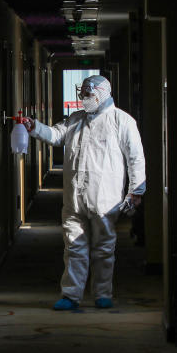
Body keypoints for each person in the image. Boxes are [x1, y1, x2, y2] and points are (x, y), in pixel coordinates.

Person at [22, 75, 145, 310]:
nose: (83, 99)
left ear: (101, 94)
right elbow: (55, 135)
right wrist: (34, 127)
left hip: (105, 198)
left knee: (104, 248)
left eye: (87, 95)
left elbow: (135, 158)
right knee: (73, 246)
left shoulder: (121, 121)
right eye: (82, 95)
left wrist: (136, 191)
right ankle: (71, 294)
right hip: (74, 197)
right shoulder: (75, 120)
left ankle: (102, 293)